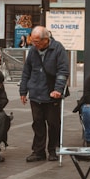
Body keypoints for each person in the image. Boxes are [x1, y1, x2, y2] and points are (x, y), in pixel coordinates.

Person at [20, 26, 70, 162]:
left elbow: (63, 71)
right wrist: (23, 90)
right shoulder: (32, 51)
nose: (34, 44)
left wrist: (58, 90)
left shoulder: (58, 49)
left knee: (53, 123)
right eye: (33, 41)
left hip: (51, 92)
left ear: (45, 39)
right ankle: (38, 151)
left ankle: (53, 150)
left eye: (37, 41)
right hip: (36, 92)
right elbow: (26, 71)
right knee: (38, 123)